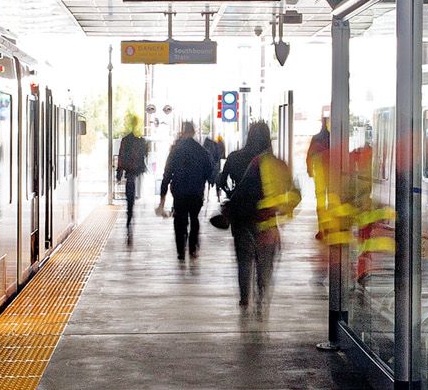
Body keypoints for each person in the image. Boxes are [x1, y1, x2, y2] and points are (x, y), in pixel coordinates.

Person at [220, 119, 299, 317]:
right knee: (265, 263)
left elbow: (222, 181)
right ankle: (261, 297)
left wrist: (231, 196)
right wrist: (281, 208)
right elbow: (294, 193)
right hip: (267, 223)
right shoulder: (278, 164)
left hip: (242, 219)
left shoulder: (235, 157)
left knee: (244, 261)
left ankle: (244, 299)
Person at [158, 120, 211, 263]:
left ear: (183, 131)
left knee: (179, 220)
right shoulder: (201, 150)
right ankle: (192, 248)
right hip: (196, 192)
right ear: (193, 132)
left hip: (180, 192)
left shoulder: (176, 150)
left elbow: (167, 174)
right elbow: (209, 172)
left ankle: (181, 251)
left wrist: (162, 199)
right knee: (194, 219)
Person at [115, 121, 148, 243]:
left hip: (129, 171)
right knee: (132, 194)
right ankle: (130, 213)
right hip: (136, 171)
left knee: (130, 196)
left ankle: (129, 216)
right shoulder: (140, 141)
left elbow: (121, 156)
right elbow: (144, 155)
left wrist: (119, 173)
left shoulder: (125, 140)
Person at [305, 121, 332, 241]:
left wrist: (310, 170)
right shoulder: (333, 139)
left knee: (320, 203)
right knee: (332, 201)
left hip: (319, 175)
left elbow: (309, 156)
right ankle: (331, 228)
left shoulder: (315, 139)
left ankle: (322, 229)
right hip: (332, 175)